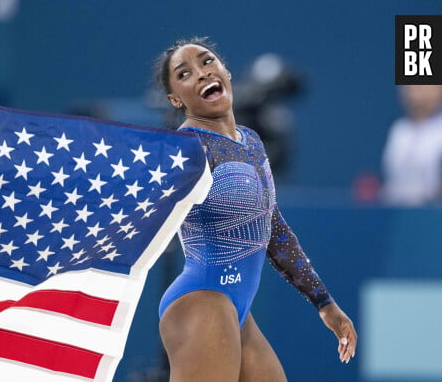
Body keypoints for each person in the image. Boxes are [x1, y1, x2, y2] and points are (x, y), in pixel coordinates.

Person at [153, 37, 357, 381]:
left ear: (226, 71)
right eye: (185, 74)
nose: (202, 74)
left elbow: (273, 229)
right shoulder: (185, 148)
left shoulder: (251, 140)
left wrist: (324, 303)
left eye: (207, 62)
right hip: (202, 300)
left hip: (237, 311)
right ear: (175, 98)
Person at [381, 84, 442, 206]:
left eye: (424, 86)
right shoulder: (399, 130)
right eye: (411, 87)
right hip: (399, 215)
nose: (416, 93)